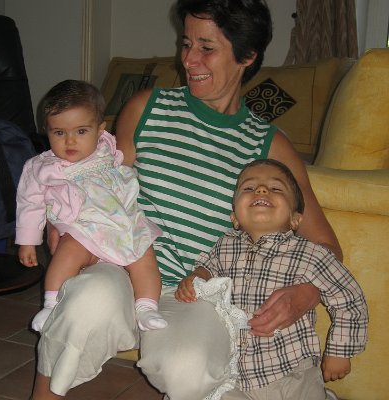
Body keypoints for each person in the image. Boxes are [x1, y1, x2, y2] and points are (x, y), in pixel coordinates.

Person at [34, 1, 343, 399]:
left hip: (195, 290)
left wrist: (306, 293)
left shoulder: (270, 146)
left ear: (247, 56)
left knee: (189, 367)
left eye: (207, 48)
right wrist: (58, 221)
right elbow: (97, 180)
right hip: (122, 265)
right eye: (186, 44)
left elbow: (326, 244)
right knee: (84, 303)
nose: (188, 59)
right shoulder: (147, 108)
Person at [175, 158, 368, 400]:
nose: (261, 190)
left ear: (295, 220)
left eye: (275, 188)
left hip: (292, 369)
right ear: (235, 218)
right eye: (249, 187)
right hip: (234, 374)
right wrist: (197, 277)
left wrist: (339, 351)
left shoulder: (309, 253)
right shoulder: (225, 246)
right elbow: (208, 268)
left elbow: (348, 296)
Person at [16, 80, 167, 335]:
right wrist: (27, 242)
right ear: (46, 131)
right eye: (59, 133)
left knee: (145, 255)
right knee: (67, 253)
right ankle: (51, 304)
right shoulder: (41, 167)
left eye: (81, 131)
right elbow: (29, 203)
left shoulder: (107, 150)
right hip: (81, 227)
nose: (70, 141)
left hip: (121, 225)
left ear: (100, 131)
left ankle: (147, 307)